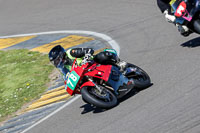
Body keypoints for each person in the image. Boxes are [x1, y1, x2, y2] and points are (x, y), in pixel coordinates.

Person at [48, 45, 127, 80]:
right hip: (86, 74)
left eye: (57, 60)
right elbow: (67, 77)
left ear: (61, 55)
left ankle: (119, 64)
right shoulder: (64, 68)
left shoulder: (71, 53)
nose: (57, 63)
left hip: (93, 63)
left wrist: (86, 57)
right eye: (55, 62)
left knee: (102, 56)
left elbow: (88, 50)